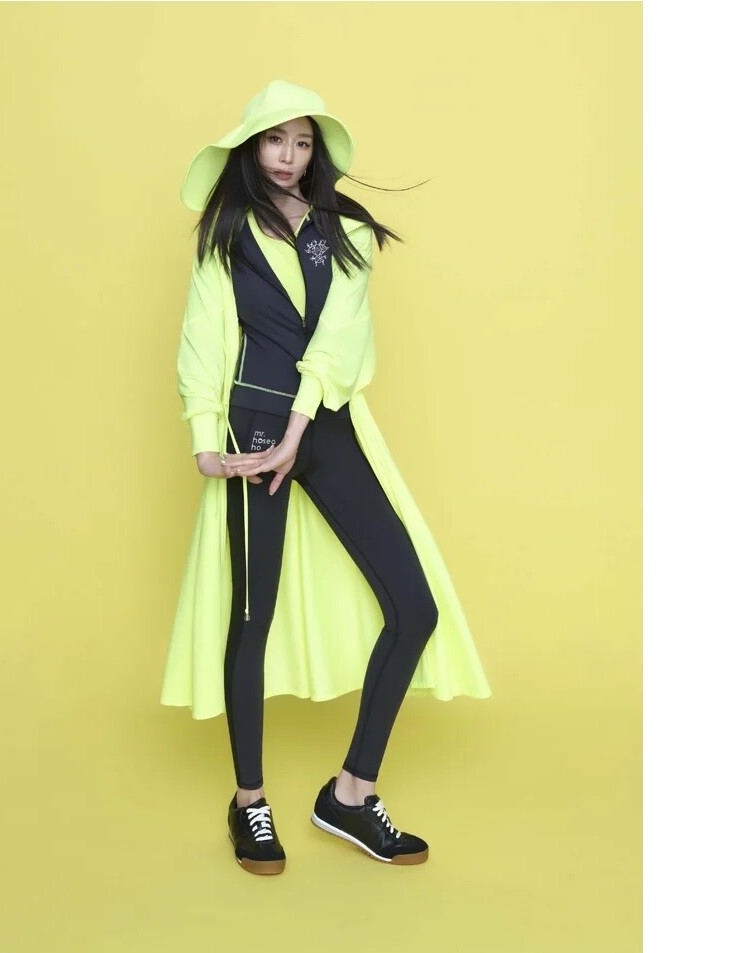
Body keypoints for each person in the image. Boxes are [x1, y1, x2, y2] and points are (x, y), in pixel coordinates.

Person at [161, 79, 492, 875]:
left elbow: (341, 334)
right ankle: (249, 800)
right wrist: (206, 440)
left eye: (302, 142)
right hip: (250, 432)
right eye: (276, 140)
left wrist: (300, 428)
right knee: (252, 615)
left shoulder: (343, 231)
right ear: (251, 147)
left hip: (322, 425)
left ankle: (349, 792)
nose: (288, 156)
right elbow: (205, 332)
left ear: (316, 153)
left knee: (413, 606)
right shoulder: (225, 232)